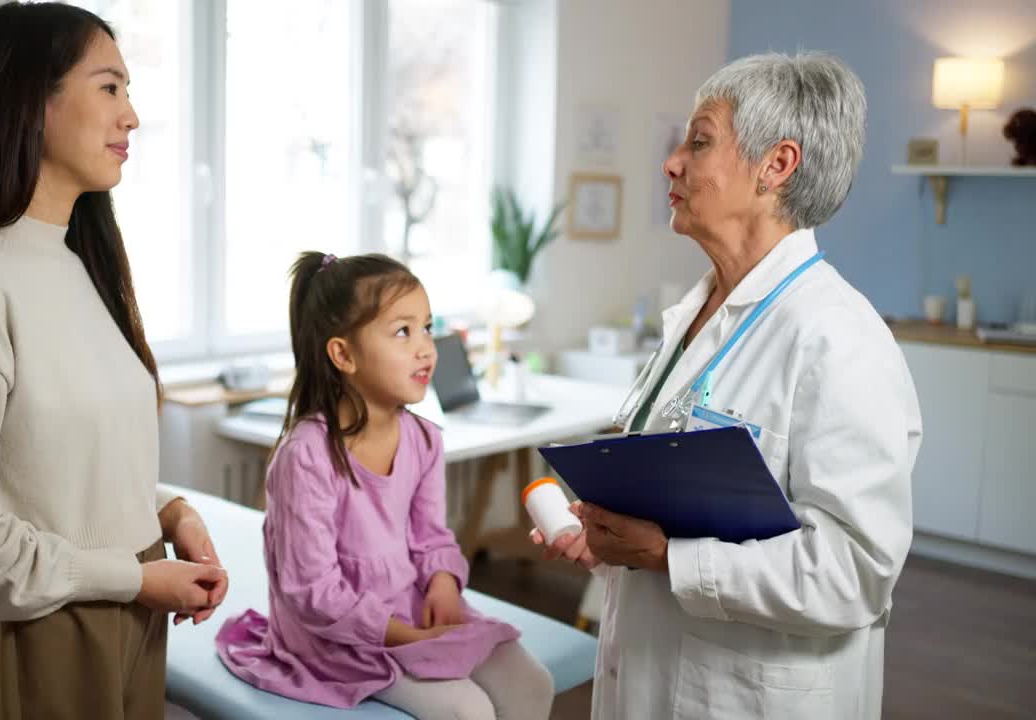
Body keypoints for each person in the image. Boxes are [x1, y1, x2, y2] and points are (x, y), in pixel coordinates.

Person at [535, 51, 922, 719]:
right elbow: (674, 501)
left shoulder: (839, 338)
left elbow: (856, 573)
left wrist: (668, 558)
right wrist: (610, 538)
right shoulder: (696, 312)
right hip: (651, 674)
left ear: (777, 166)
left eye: (700, 140)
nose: (672, 162)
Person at [0, 4, 227, 717]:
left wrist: (170, 512)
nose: (132, 115)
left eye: (128, 91)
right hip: (44, 627)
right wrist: (134, 580)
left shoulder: (80, 266)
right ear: (30, 101)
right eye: (109, 88)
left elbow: (64, 457)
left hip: (131, 610)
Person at [216, 252, 555, 719]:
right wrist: (405, 636)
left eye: (427, 328)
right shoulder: (307, 456)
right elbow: (312, 591)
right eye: (403, 331)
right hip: (332, 634)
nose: (425, 349)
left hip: (407, 605)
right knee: (466, 710)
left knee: (533, 683)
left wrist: (442, 580)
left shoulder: (423, 439)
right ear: (343, 354)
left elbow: (431, 534)